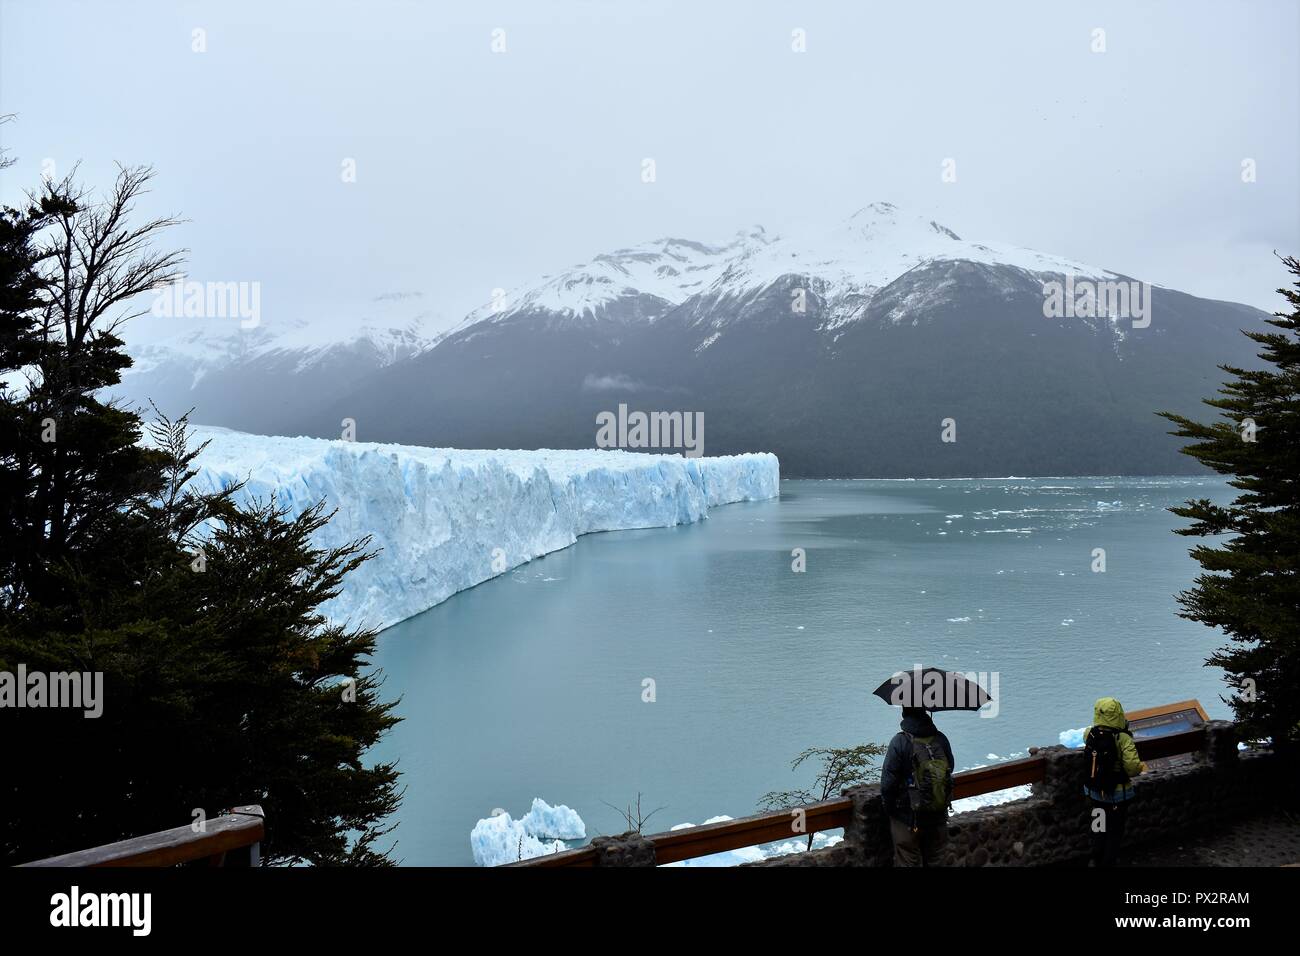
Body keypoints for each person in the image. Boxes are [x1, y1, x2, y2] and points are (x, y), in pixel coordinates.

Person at [880, 706, 954, 866]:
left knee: (907, 859)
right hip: (937, 815)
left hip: (908, 818)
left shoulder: (900, 741)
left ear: (904, 713)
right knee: (936, 859)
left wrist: (891, 810)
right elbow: (950, 769)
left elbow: (887, 785)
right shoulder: (941, 739)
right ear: (925, 712)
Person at [1082, 696, 1148, 867]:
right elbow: (1132, 768)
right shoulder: (1122, 738)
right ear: (1119, 713)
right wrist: (1141, 767)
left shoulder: (1090, 733)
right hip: (1117, 795)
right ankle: (1108, 863)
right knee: (1114, 831)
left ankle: (1095, 859)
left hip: (1095, 793)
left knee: (1098, 827)